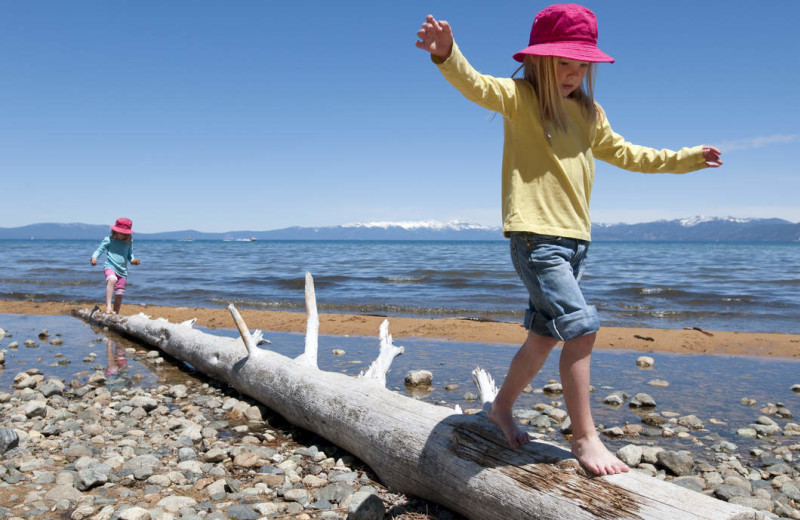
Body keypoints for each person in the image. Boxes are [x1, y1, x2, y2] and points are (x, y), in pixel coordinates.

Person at [415, 4, 722, 476]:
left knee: (542, 337)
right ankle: (584, 437)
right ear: (538, 60)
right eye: (564, 62)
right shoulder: (519, 97)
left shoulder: (590, 113)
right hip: (536, 240)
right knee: (582, 327)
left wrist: (687, 158)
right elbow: (474, 84)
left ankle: (499, 408)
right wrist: (447, 53)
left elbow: (630, 154)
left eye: (582, 65)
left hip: (576, 242)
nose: (573, 73)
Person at [91, 218, 141, 314]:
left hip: (122, 271)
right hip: (110, 266)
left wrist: (133, 260)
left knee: (119, 293)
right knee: (112, 279)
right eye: (120, 232)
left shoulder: (128, 242)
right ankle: (108, 306)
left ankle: (116, 313)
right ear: (115, 231)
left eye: (125, 233)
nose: (122, 235)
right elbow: (99, 250)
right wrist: (94, 257)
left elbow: (129, 255)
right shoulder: (109, 240)